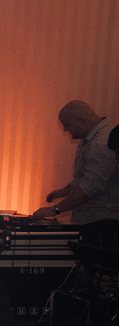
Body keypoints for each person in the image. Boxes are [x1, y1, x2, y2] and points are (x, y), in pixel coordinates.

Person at [32, 101, 118, 245]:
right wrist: (64, 191)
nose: (65, 130)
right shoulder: (93, 139)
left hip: (102, 225)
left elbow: (89, 187)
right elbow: (84, 177)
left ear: (81, 120)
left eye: (67, 124)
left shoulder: (101, 144)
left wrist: (56, 209)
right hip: (95, 223)